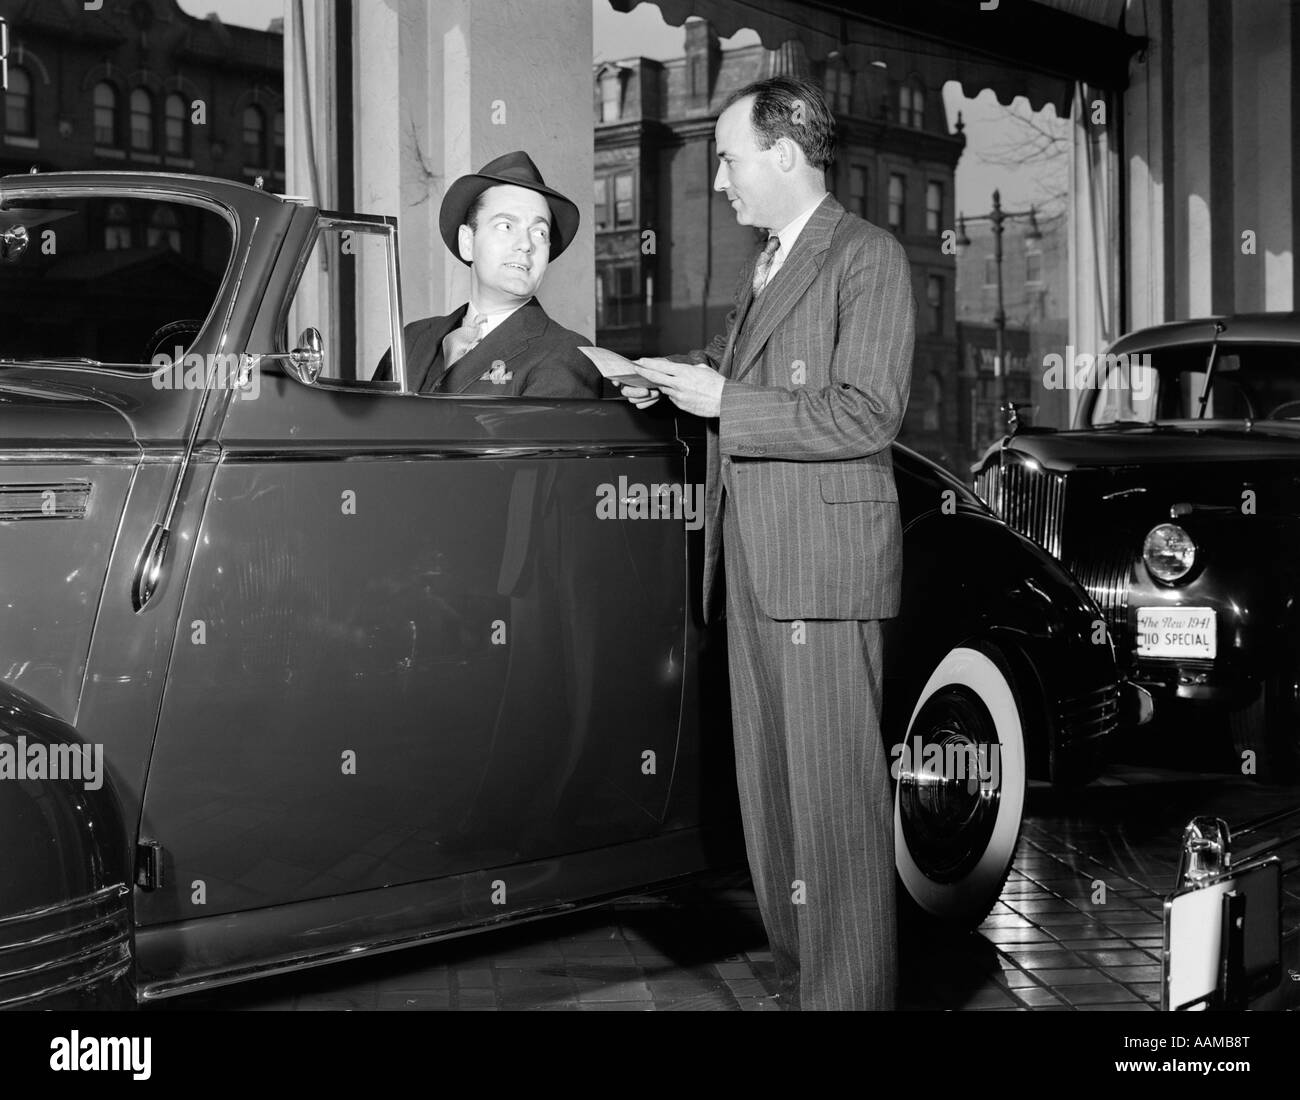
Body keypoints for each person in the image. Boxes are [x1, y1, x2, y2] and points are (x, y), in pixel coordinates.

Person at [624, 76, 915, 1010]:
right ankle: (803, 987)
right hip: (756, 567)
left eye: (730, 158)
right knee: (776, 804)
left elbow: (865, 412)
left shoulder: (867, 257)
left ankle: (849, 997)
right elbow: (749, 375)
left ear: (785, 153)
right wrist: (675, 379)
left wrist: (727, 403)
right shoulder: (773, 262)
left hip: (823, 579)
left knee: (833, 807)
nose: (720, 180)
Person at [376, 150, 602, 398]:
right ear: (467, 242)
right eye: (506, 226)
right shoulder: (411, 341)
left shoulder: (566, 354)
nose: (526, 244)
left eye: (539, 233)